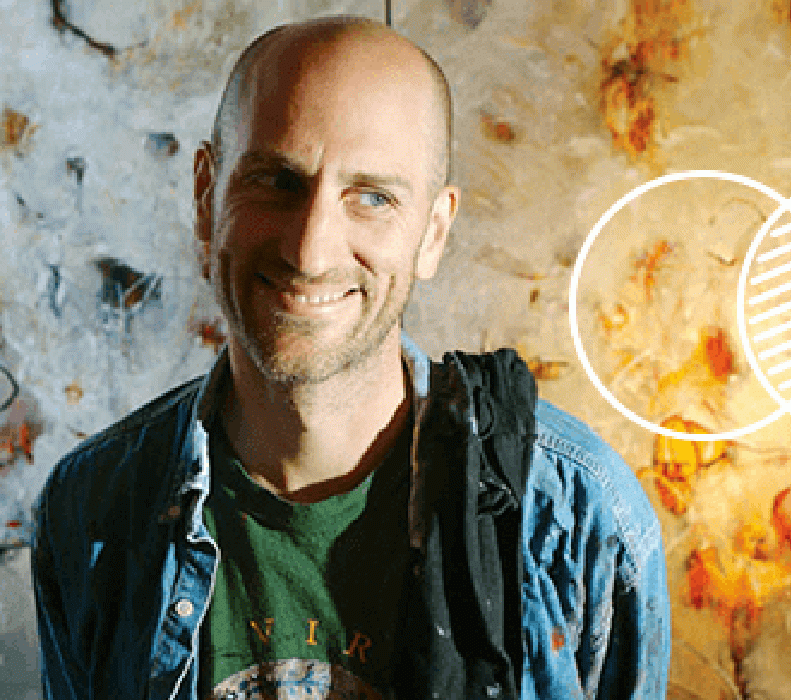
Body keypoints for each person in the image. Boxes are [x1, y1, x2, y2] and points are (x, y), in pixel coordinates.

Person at [31, 15, 670, 700]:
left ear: (433, 232)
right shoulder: (92, 510)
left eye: (371, 197)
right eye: (277, 180)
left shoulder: (577, 519)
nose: (311, 251)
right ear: (205, 196)